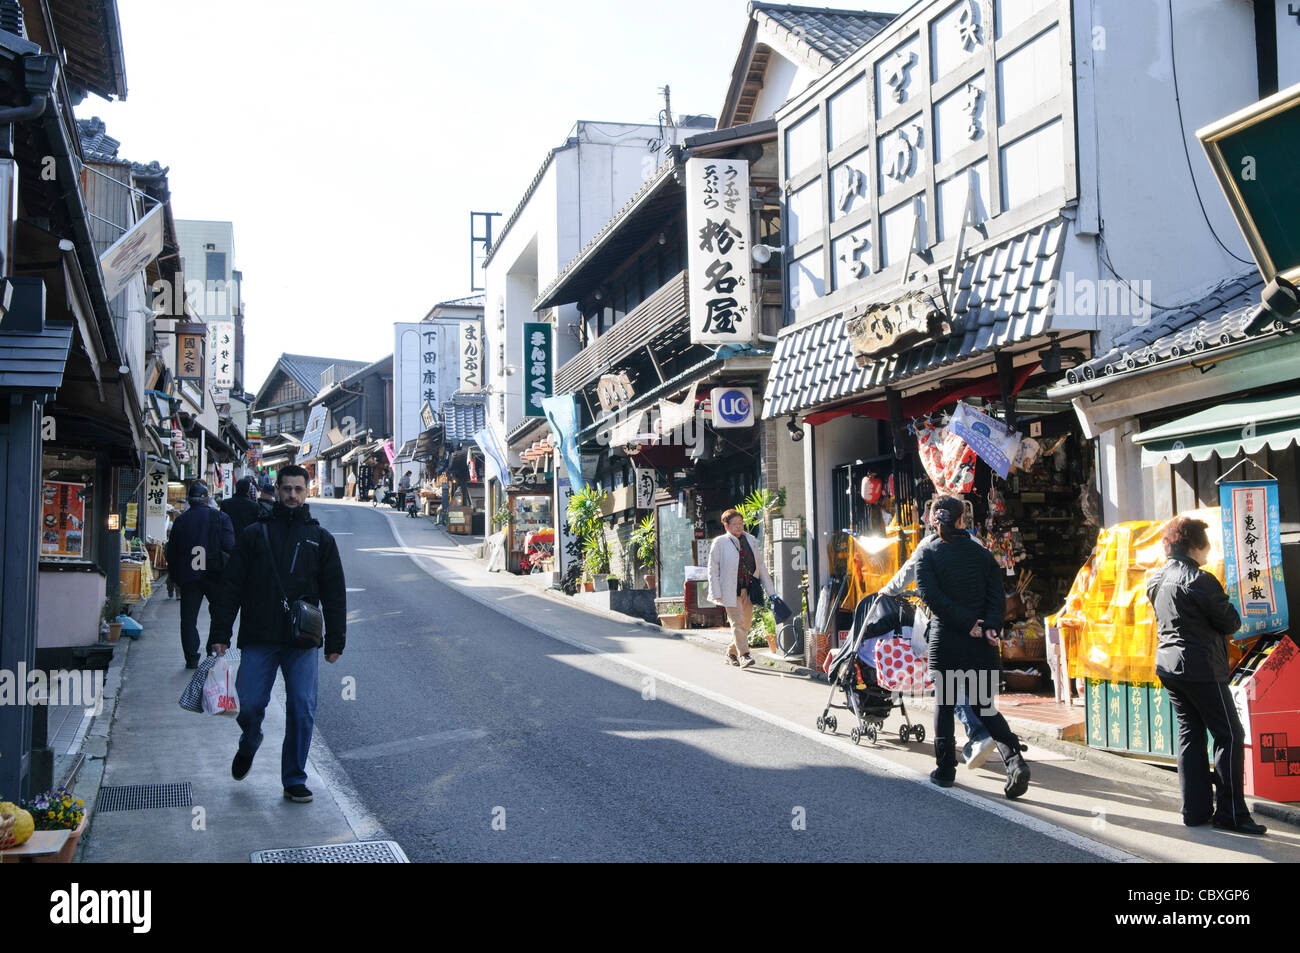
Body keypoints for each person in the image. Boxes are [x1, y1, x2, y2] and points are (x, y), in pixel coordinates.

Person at [208, 464, 347, 804]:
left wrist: (336, 640)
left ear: (307, 491)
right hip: (259, 634)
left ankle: (294, 778)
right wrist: (220, 632)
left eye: (299, 489)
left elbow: (334, 593)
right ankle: (251, 738)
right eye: (287, 489)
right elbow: (231, 586)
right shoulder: (255, 534)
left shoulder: (320, 539)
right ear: (277, 490)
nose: (292, 495)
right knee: (249, 703)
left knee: (302, 706)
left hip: (303, 640)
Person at [1147, 515, 1265, 835]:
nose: (1209, 551)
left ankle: (1195, 810)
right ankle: (1231, 813)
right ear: (1195, 547)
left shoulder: (1155, 579)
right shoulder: (1201, 579)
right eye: (1207, 546)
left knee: (1191, 735)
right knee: (1229, 734)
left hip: (1169, 667)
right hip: (1201, 667)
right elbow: (1230, 623)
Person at [915, 496, 1030, 798]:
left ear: (934, 518)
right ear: (962, 520)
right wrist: (989, 627)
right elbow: (997, 597)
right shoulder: (981, 554)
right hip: (981, 643)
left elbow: (931, 596)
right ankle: (1015, 762)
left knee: (945, 702)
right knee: (984, 706)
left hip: (947, 640)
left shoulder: (927, 552)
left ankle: (944, 770)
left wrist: (968, 623)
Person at [879, 540, 996, 770]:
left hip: (951, 626)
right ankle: (993, 737)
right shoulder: (976, 545)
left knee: (949, 684)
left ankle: (973, 738)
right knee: (972, 681)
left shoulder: (931, 544)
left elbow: (909, 573)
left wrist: (888, 591)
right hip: (978, 624)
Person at [165, 482, 235, 668]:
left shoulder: (181, 520)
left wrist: (174, 577)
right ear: (207, 499)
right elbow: (230, 547)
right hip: (215, 575)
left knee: (188, 619)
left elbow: (171, 552)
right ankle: (212, 652)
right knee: (218, 614)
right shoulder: (221, 517)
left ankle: (191, 657)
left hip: (189, 577)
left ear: (189, 500)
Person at [707, 509, 774, 670]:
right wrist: (716, 592)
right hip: (729, 589)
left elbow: (761, 566)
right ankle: (744, 655)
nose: (739, 527)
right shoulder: (720, 542)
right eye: (735, 524)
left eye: (741, 523)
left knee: (746, 624)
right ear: (726, 526)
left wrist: (771, 591)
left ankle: (731, 653)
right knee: (738, 622)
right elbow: (712, 568)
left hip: (748, 589)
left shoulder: (751, 540)